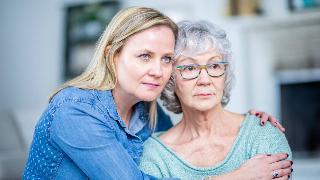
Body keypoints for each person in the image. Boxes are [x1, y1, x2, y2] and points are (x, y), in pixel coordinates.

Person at [23, 6, 285, 179]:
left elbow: (180, 150)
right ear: (112, 56)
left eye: (167, 58)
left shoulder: (147, 111)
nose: (158, 71)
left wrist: (247, 121)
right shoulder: (74, 111)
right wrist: (239, 176)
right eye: (145, 56)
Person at [139, 21, 292, 180]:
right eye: (189, 68)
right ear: (170, 79)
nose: (205, 80)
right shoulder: (154, 154)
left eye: (214, 66)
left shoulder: (261, 133)